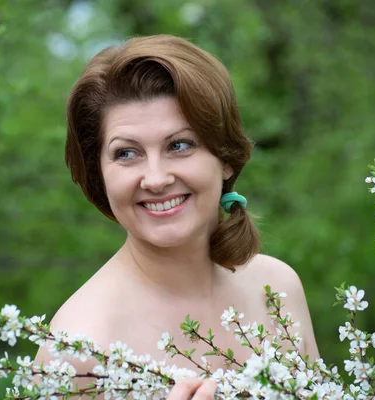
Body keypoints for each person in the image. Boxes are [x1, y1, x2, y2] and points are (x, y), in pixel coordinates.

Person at [35, 34, 319, 399]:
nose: (155, 179)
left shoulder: (278, 291)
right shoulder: (78, 348)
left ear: (226, 157)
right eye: (126, 154)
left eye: (179, 145)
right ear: (99, 174)